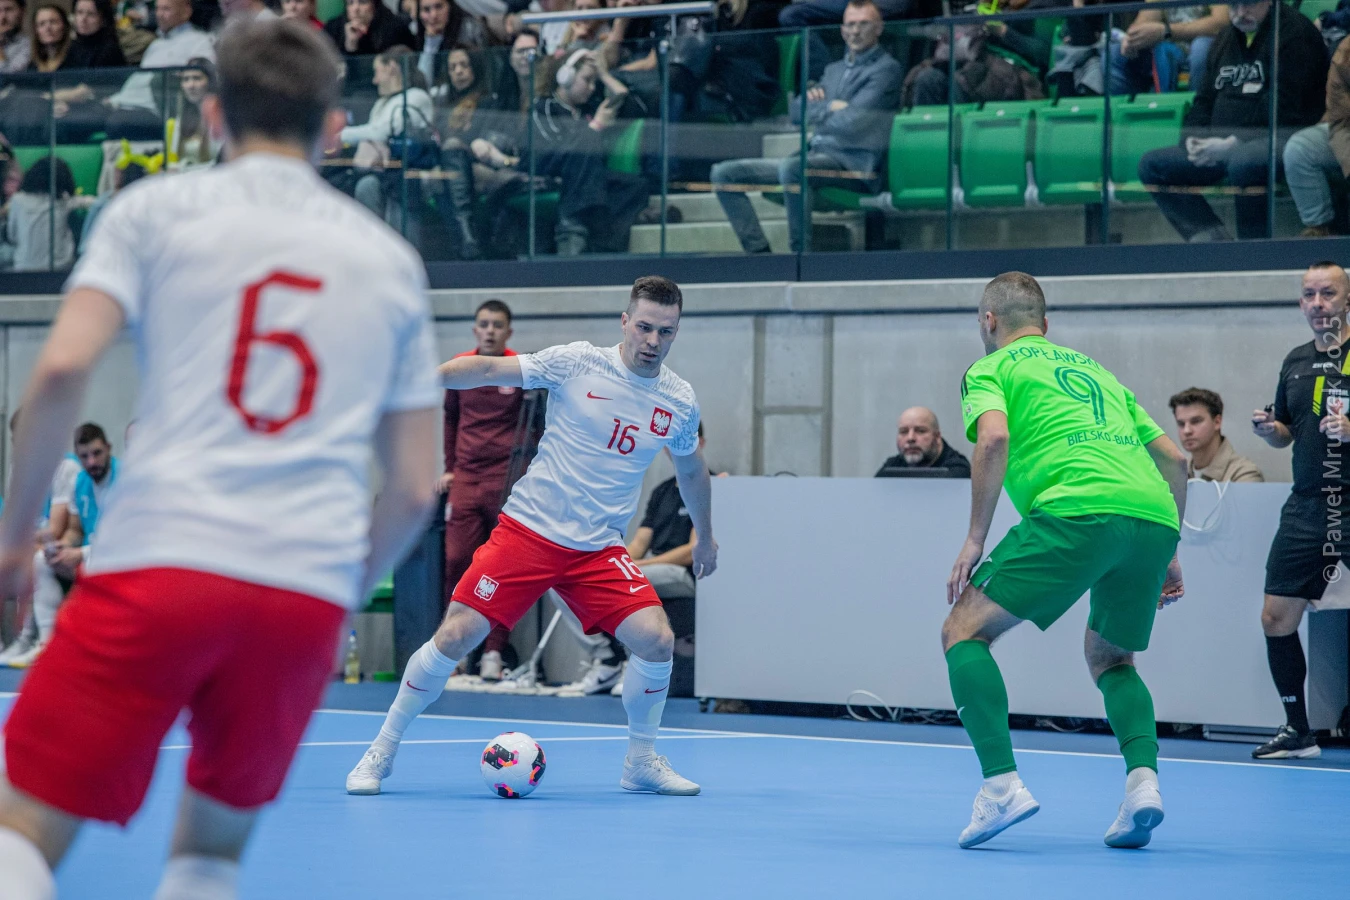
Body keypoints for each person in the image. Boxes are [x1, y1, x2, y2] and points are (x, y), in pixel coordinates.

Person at [0, 19, 440, 900]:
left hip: (162, 562)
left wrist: (14, 545)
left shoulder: (154, 211)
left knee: (23, 836)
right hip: (300, 590)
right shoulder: (393, 262)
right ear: (333, 129)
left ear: (211, 116)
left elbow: (61, 371)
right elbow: (415, 487)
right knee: (209, 861)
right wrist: (341, 593)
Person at [347, 275, 718, 798]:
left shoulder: (678, 399)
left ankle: (640, 762)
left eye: (666, 331)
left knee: (656, 641)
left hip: (598, 548)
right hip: (530, 531)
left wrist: (706, 537)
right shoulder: (578, 363)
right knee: (455, 636)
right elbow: (484, 369)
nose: (653, 341)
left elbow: (692, 471)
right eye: (644, 327)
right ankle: (381, 751)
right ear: (625, 322)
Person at [942, 271, 1187, 850]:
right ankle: (1143, 786)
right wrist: (1171, 550)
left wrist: (975, 538)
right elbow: (1175, 460)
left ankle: (1001, 787)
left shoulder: (990, 368)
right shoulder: (1098, 372)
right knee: (1112, 658)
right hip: (1153, 518)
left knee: (963, 631)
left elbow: (993, 440)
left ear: (988, 321)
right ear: (1045, 325)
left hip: (1076, 510)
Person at [1249, 261, 1350, 760]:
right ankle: (1298, 730)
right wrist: (1272, 431)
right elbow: (1287, 430)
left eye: (1327, 293)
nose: (1317, 303)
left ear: (1347, 299)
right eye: (1309, 294)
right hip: (1309, 505)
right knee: (1275, 616)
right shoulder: (1295, 360)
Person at [710, 0, 901, 253]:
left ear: (879, 28)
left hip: (854, 165)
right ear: (842, 30)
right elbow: (797, 110)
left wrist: (821, 110)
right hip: (815, 156)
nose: (855, 31)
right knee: (724, 174)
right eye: (850, 25)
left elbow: (853, 122)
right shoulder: (833, 70)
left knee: (792, 168)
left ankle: (800, 255)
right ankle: (758, 253)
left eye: (863, 24)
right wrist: (832, 107)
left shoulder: (886, 69)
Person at [1137, 0, 1328, 242]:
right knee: (1153, 166)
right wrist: (1193, 141)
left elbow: (1286, 106)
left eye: (1248, 4)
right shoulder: (1225, 38)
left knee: (1244, 161)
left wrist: (1234, 142)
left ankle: (1252, 249)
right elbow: (1203, 101)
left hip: (1284, 136)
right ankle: (1213, 242)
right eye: (1233, 6)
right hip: (1219, 145)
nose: (1240, 13)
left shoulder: (1295, 33)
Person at [442, 299, 527, 680]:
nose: (490, 330)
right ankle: (455, 652)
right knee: (457, 561)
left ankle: (494, 651)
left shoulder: (519, 369)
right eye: (484, 324)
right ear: (475, 329)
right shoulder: (460, 367)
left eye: (497, 325)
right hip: (466, 480)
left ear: (508, 331)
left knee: (502, 569)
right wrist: (449, 469)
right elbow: (450, 420)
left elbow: (534, 426)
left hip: (505, 483)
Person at [530, 47, 648, 255]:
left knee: (635, 186)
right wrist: (595, 127)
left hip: (588, 177)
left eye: (595, 82)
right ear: (565, 77)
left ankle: (604, 244)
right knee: (582, 156)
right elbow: (557, 152)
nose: (592, 88)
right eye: (587, 80)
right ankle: (571, 229)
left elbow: (631, 104)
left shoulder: (588, 109)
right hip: (549, 172)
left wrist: (604, 74)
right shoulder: (545, 107)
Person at [339, 45, 434, 235]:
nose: (374, 80)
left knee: (388, 188)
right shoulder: (381, 103)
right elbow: (373, 134)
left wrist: (340, 135)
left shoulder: (417, 97)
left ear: (392, 67)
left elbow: (382, 132)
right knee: (365, 185)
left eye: (377, 72)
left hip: (410, 174)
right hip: (382, 172)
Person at [102, 0, 218, 141]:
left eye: (166, 9)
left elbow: (204, 77)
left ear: (186, 11)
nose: (159, 14)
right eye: (157, 9)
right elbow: (139, 80)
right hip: (124, 104)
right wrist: (116, 99)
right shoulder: (155, 45)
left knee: (117, 122)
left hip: (158, 112)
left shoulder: (200, 41)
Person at [1283, 35, 1350, 238]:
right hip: (1347, 128)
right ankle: (1320, 231)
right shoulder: (1346, 52)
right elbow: (1340, 121)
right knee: (1301, 148)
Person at [5, 155, 88, 272]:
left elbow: (12, 236)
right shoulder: (64, 201)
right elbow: (91, 202)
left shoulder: (17, 200)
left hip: (24, 267)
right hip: (61, 267)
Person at [1168, 387, 1264, 482]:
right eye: (1181, 424)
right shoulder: (1174, 473)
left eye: (1196, 421)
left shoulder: (1244, 474)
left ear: (1217, 422)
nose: (1187, 430)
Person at [875, 406, 971, 477]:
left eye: (920, 431)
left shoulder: (958, 470)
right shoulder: (891, 467)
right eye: (903, 431)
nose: (910, 438)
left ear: (937, 436)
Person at [166, 57, 220, 168]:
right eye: (186, 79)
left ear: (210, 81)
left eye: (197, 78)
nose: (191, 85)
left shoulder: (221, 116)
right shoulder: (180, 118)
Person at [324, 0, 416, 56]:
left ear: (374, 5)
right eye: (350, 2)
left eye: (362, 2)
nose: (355, 8)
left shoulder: (395, 28)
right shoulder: (333, 28)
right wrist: (351, 45)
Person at [64, 0, 127, 68]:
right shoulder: (68, 47)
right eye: (79, 12)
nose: (83, 19)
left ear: (103, 19)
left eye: (91, 14)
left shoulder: (109, 51)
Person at [27, 1, 71, 72]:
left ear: (64, 26)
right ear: (36, 30)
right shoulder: (32, 65)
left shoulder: (79, 56)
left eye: (53, 22)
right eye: (42, 24)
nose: (48, 28)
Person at [0, 0, 31, 74]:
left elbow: (10, 77)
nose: (3, 17)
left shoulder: (29, 46)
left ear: (22, 12)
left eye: (8, 10)